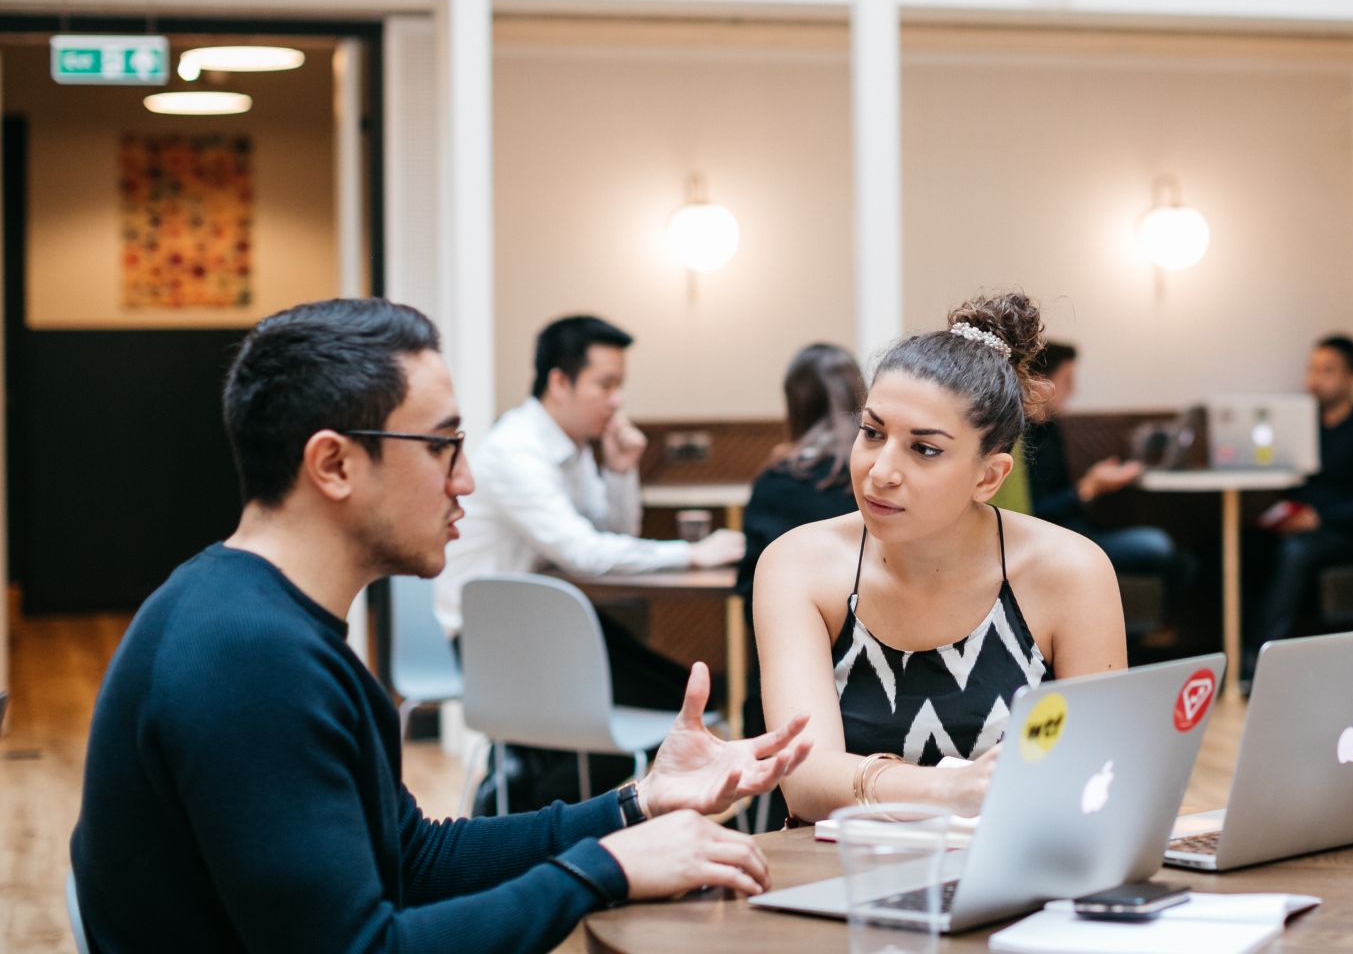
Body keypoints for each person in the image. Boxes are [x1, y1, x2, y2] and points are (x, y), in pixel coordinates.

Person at [70, 298, 810, 953]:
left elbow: (412, 860)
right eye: (441, 447)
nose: (466, 480)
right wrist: (605, 871)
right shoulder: (250, 661)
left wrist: (637, 802)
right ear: (333, 464)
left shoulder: (250, 615)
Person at [754, 291, 1127, 824]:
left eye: (924, 449)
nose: (881, 470)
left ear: (989, 476)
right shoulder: (800, 565)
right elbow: (807, 784)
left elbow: (1099, 771)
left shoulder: (1070, 571)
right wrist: (952, 790)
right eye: (872, 432)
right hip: (838, 876)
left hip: (1013, 875)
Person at [433, 314, 744, 805]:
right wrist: (691, 553)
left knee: (683, 693)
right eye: (606, 384)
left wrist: (621, 472)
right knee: (676, 701)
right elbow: (584, 553)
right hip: (495, 642)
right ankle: (510, 804)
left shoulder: (571, 449)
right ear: (560, 381)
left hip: (546, 628)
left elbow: (611, 537)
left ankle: (515, 796)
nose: (617, 399)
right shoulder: (517, 452)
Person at [1248, 334, 1353, 650]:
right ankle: (1227, 652)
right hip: (1304, 528)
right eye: (1312, 369)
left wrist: (1319, 519)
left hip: (1352, 537)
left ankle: (1262, 657)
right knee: (1232, 548)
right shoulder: (1305, 430)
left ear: (1351, 378)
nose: (1315, 379)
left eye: (1327, 370)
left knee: (1297, 552)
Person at [1024, 340, 1191, 625]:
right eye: (1067, 381)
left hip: (1080, 531)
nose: (1072, 391)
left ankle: (1157, 634)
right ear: (1041, 381)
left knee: (1186, 561)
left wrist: (1094, 483)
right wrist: (1089, 487)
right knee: (1158, 544)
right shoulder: (1022, 438)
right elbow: (1032, 513)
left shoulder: (1051, 428)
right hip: (1059, 540)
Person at [734, 343, 866, 609]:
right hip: (871, 635)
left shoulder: (776, 481)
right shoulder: (874, 476)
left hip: (783, 632)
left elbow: (752, 585)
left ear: (795, 406)